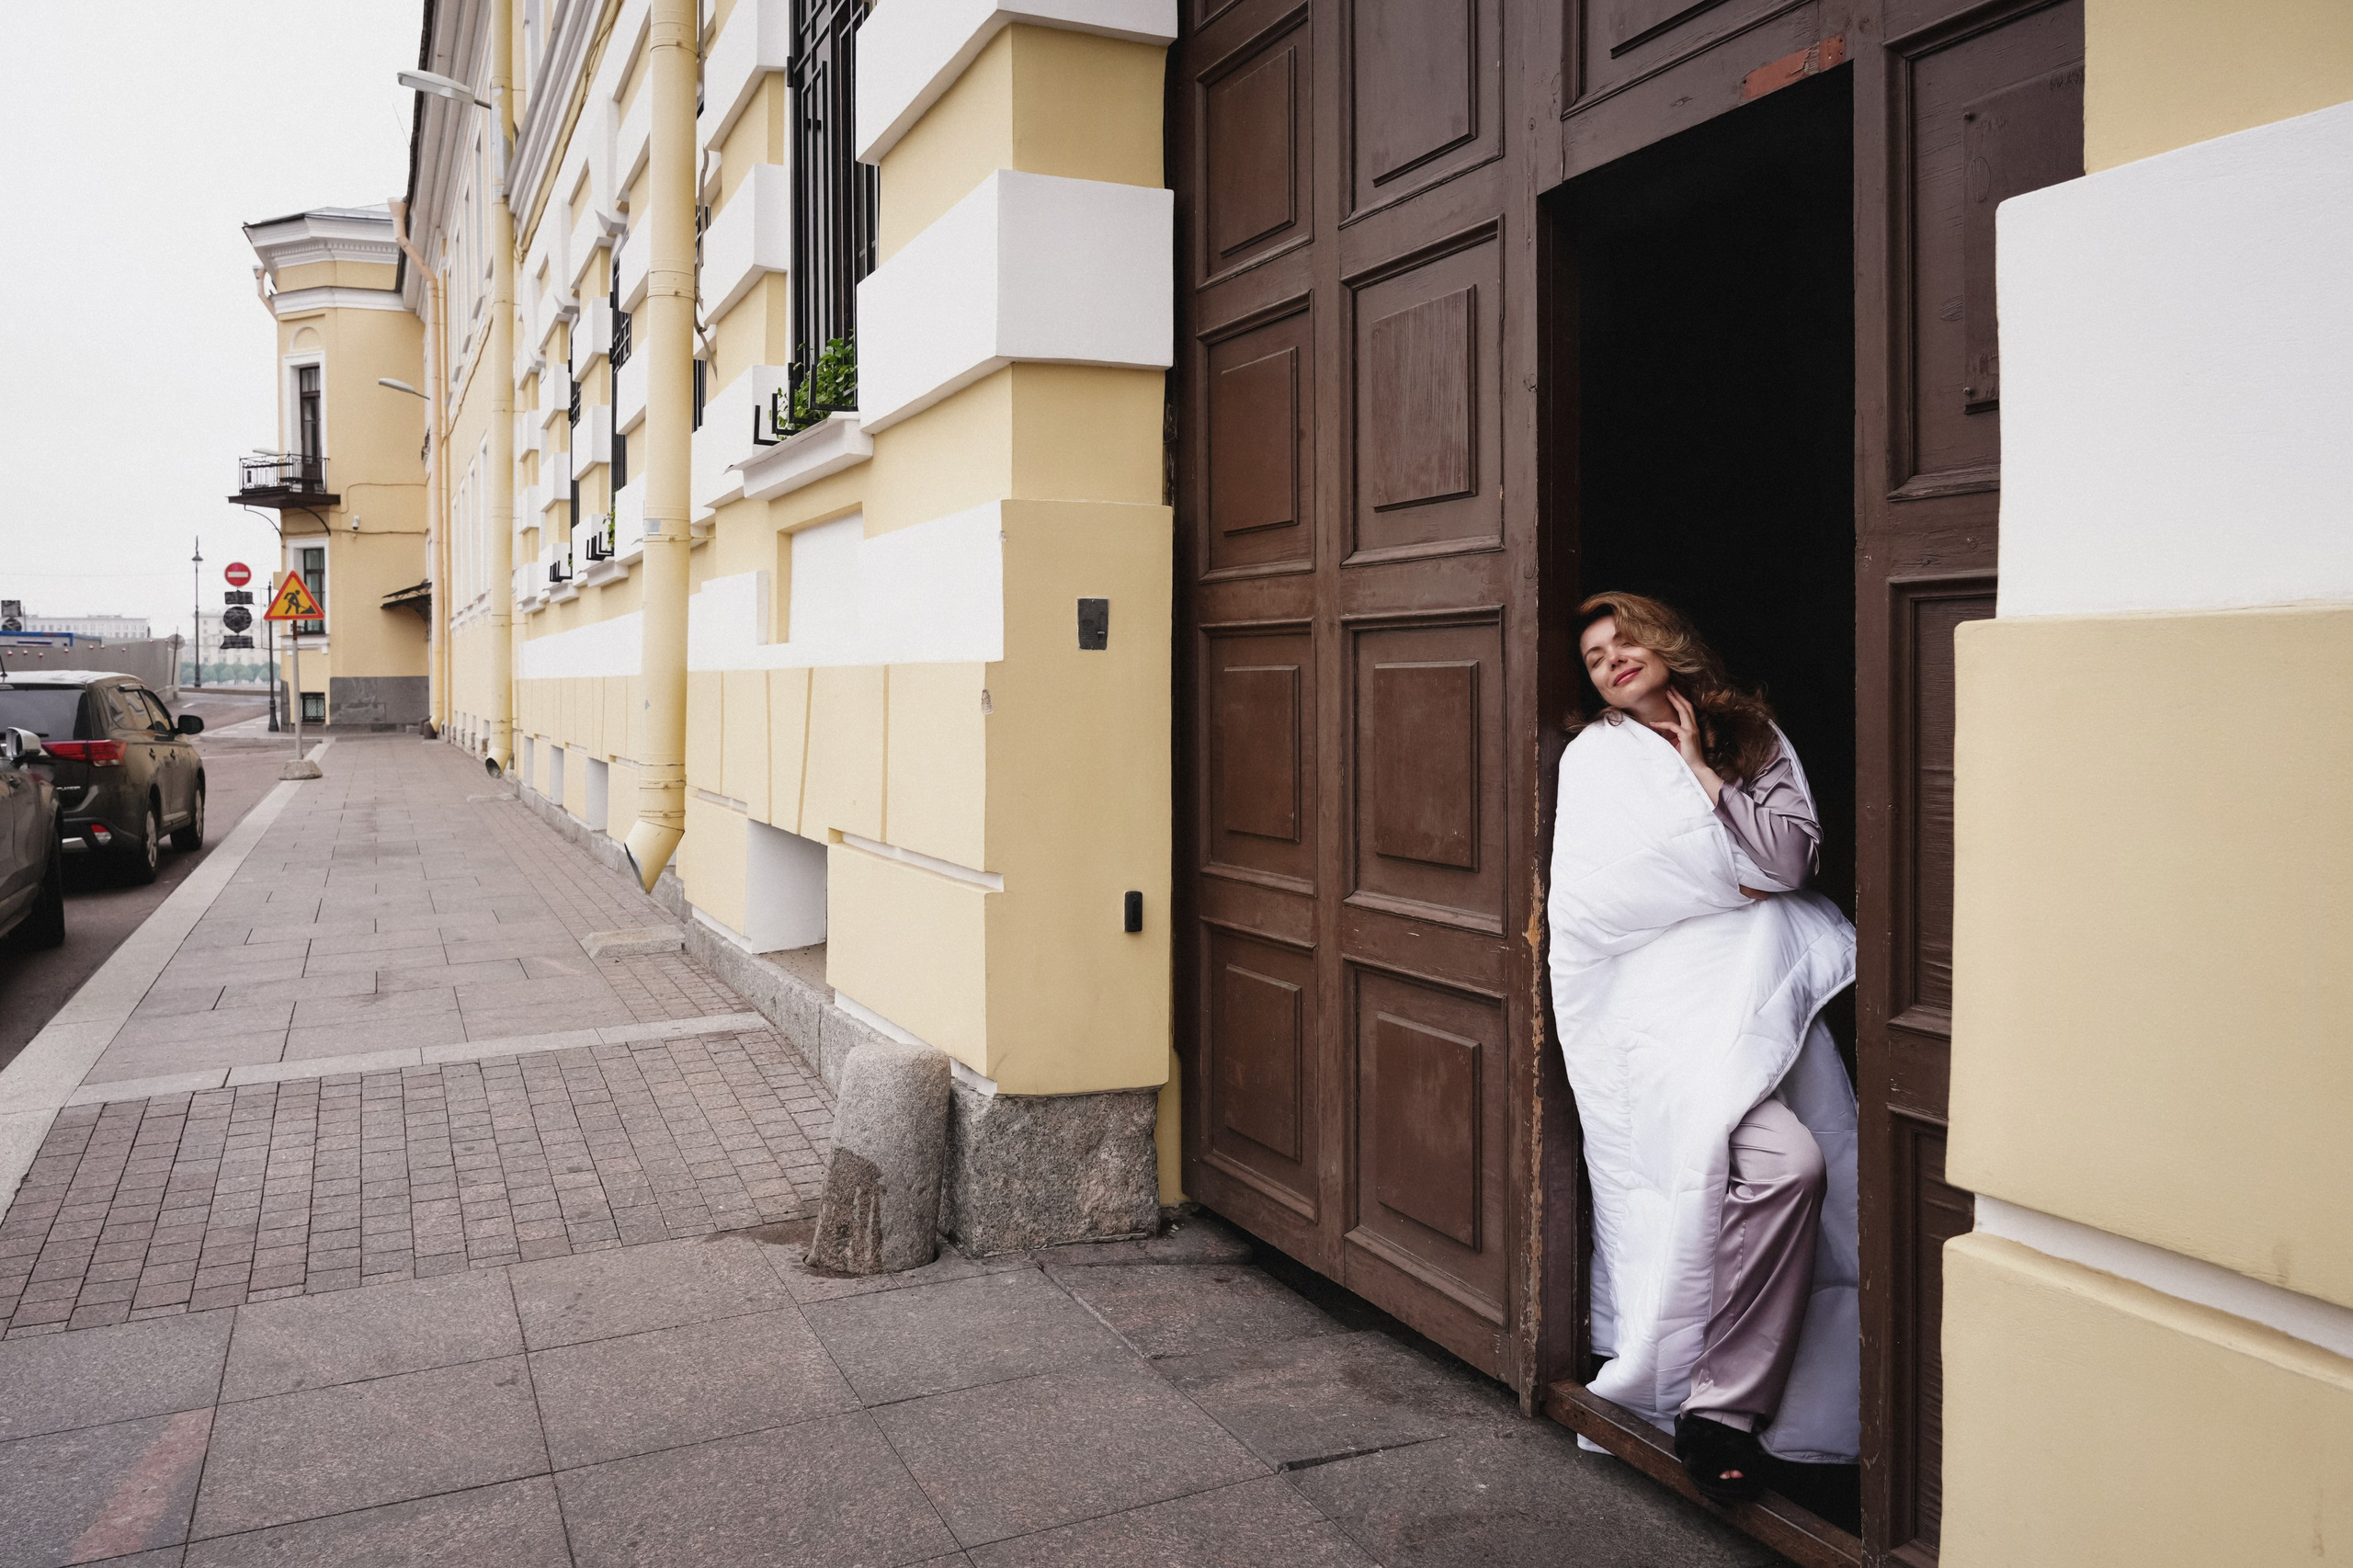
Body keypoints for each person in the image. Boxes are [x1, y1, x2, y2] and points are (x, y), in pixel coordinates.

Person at [1546, 591, 1859, 1503]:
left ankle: (1721, 1406)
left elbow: (1790, 864)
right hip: (1658, 1011)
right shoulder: (1595, 759)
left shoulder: (1745, 733)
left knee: (1794, 1170)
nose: (1609, 659)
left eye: (1622, 639)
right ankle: (1686, 1368)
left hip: (1743, 998)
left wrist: (1702, 770)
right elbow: (1602, 897)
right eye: (1594, 655)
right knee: (1772, 1166)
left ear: (1663, 640)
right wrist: (1732, 874)